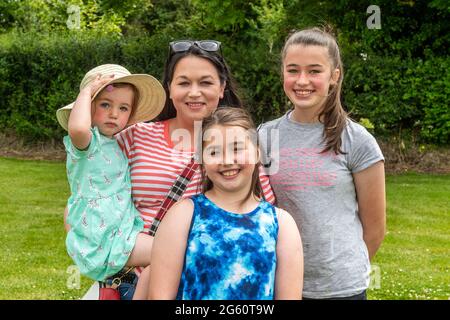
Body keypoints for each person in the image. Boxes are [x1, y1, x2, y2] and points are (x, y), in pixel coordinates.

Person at [65, 40, 275, 299]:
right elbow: (89, 190)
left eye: (206, 82)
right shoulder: (135, 136)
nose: (194, 92)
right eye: (184, 83)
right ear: (170, 89)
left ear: (222, 88)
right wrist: (93, 246)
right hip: (128, 281)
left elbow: (263, 216)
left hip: (202, 286)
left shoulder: (240, 149)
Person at [258, 27, 386, 300]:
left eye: (314, 71)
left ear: (334, 76)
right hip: (281, 282)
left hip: (341, 289)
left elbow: (375, 228)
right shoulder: (263, 136)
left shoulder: (357, 140)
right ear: (283, 73)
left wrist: (341, 272)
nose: (302, 80)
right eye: (293, 70)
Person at [148, 107, 303, 300]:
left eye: (237, 149)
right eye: (214, 152)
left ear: (256, 154)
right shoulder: (183, 215)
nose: (227, 160)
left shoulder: (281, 223)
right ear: (202, 160)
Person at [57, 64, 166, 299]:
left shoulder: (115, 143)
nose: (114, 113)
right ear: (88, 108)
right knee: (168, 250)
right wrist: (86, 92)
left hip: (120, 229)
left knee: (158, 263)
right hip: (104, 237)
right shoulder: (86, 144)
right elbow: (77, 127)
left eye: (123, 108)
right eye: (105, 104)